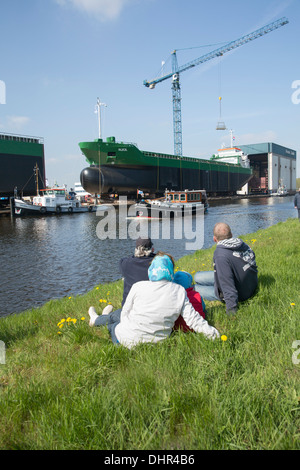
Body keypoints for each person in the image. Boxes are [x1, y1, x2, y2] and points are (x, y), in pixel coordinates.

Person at [88, 253, 220, 349]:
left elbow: (125, 314)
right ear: (170, 272)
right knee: (118, 316)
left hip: (126, 341)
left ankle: (96, 319)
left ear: (151, 271)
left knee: (116, 320)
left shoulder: (138, 286)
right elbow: (193, 319)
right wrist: (213, 334)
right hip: (157, 344)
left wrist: (132, 326)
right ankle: (102, 317)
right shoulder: (179, 291)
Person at [194, 222, 258, 316]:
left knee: (194, 288)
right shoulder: (240, 243)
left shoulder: (220, 255)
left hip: (242, 292)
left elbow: (228, 286)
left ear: (214, 239)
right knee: (197, 277)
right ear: (231, 234)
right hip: (251, 283)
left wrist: (231, 313)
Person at [119, 237, 156, 307]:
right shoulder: (158, 263)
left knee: (109, 316)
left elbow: (125, 259)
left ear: (136, 250)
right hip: (152, 306)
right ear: (152, 249)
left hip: (130, 309)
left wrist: (137, 255)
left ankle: (98, 316)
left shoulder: (125, 263)